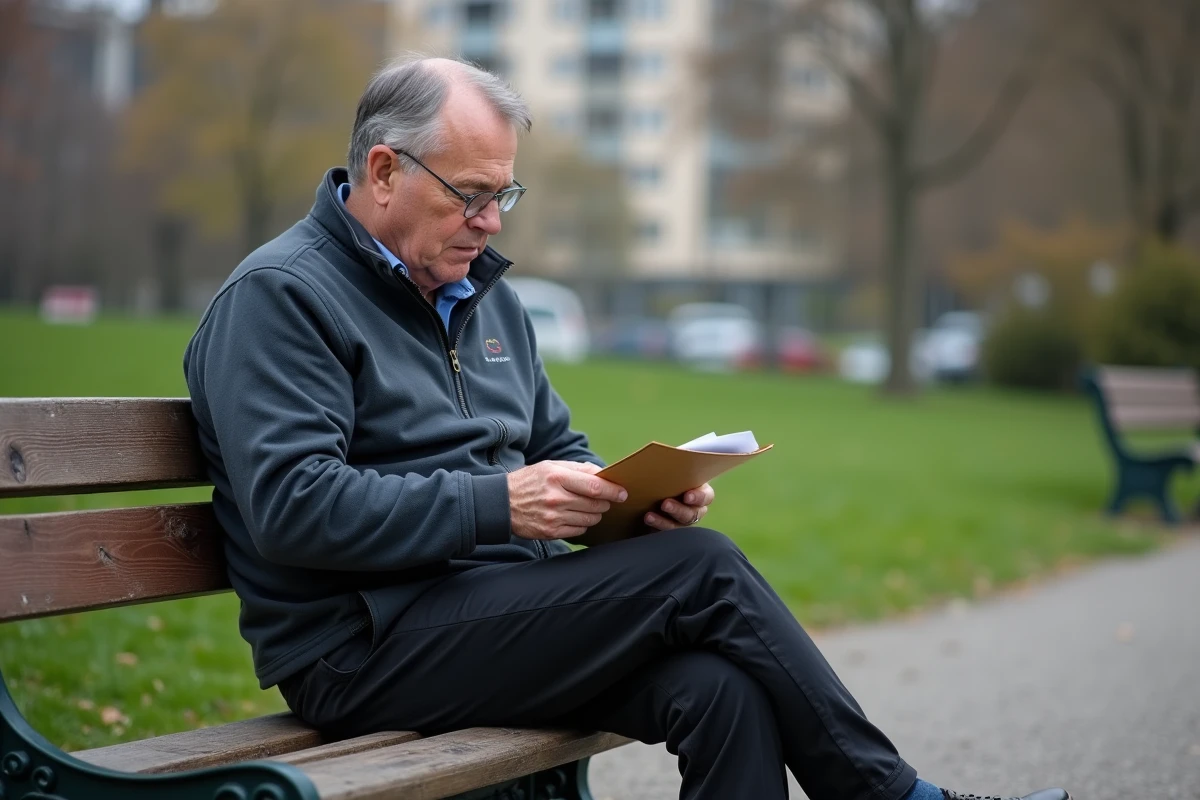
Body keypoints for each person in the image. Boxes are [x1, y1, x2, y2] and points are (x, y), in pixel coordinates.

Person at [184, 56, 1069, 800]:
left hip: (494, 612)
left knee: (721, 690)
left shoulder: (484, 299)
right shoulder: (282, 297)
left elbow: (555, 449)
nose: (490, 223)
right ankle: (893, 797)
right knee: (706, 570)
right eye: (471, 195)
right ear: (383, 172)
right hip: (364, 648)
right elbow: (293, 507)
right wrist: (499, 505)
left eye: (505, 195)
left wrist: (626, 504)